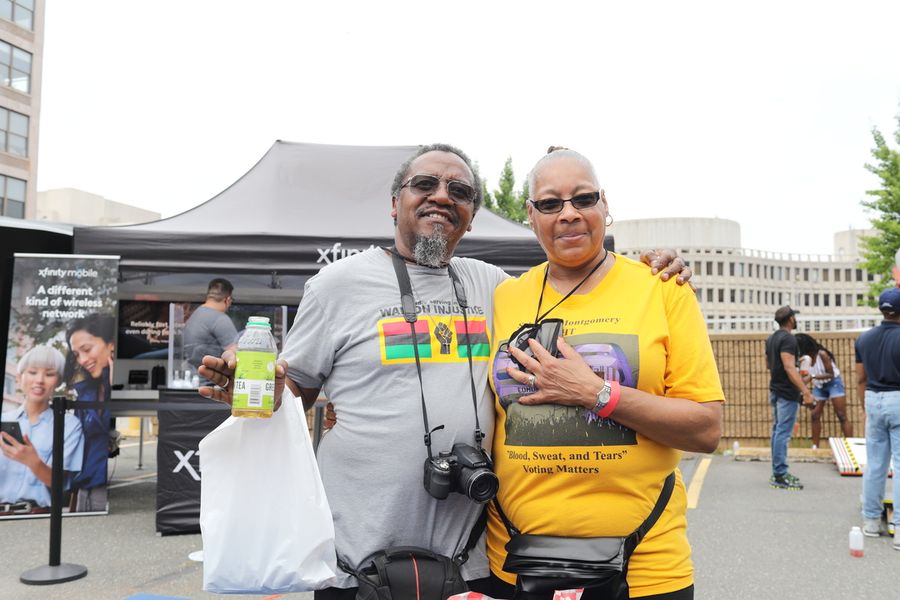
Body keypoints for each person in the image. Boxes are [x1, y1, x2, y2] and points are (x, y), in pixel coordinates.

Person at [199, 143, 693, 598]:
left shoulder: (496, 288)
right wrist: (267, 392)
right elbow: (295, 394)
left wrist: (652, 265)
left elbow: (582, 282)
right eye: (424, 185)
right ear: (395, 203)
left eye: (459, 191)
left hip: (472, 561)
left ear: (471, 217)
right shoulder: (336, 285)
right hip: (361, 561)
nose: (441, 197)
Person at [483, 147, 722, 600]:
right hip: (517, 564)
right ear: (531, 216)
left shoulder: (662, 290)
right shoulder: (502, 297)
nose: (568, 214)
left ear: (605, 206)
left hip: (644, 568)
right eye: (551, 203)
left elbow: (706, 430)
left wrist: (597, 393)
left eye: (583, 199)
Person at [0, 346, 84, 514]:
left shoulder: (69, 425)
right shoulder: (4, 420)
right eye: (32, 372)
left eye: (49, 374)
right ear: (19, 377)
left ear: (58, 381)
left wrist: (33, 461)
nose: (39, 380)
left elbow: (60, 483)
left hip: (40, 518)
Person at [855, 287, 900, 549]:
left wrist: (865, 406)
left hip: (873, 398)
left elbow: (860, 377)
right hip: (898, 398)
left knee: (874, 464)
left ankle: (871, 522)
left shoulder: (864, 339)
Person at [65, 313, 115, 512]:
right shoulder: (85, 392)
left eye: (86, 349)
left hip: (102, 485)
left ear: (111, 344)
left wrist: (113, 386)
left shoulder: (118, 387)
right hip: (83, 484)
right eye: (77, 354)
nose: (83, 360)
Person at [765, 306, 815, 490]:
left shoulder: (771, 339)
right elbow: (788, 367)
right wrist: (806, 391)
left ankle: (778, 472)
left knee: (778, 431)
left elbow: (770, 365)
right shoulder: (788, 339)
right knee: (783, 433)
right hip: (787, 392)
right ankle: (780, 474)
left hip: (776, 389)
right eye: (794, 316)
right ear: (791, 319)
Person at [795, 333, 853, 448]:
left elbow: (830, 374)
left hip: (833, 383)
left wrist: (812, 377)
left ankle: (850, 446)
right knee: (815, 415)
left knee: (841, 415)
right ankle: (815, 447)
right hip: (819, 385)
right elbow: (803, 377)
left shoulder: (822, 354)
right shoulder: (804, 359)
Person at [183, 278, 238, 374]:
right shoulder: (220, 319)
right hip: (212, 381)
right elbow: (235, 354)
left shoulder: (195, 315)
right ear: (228, 300)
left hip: (195, 377)